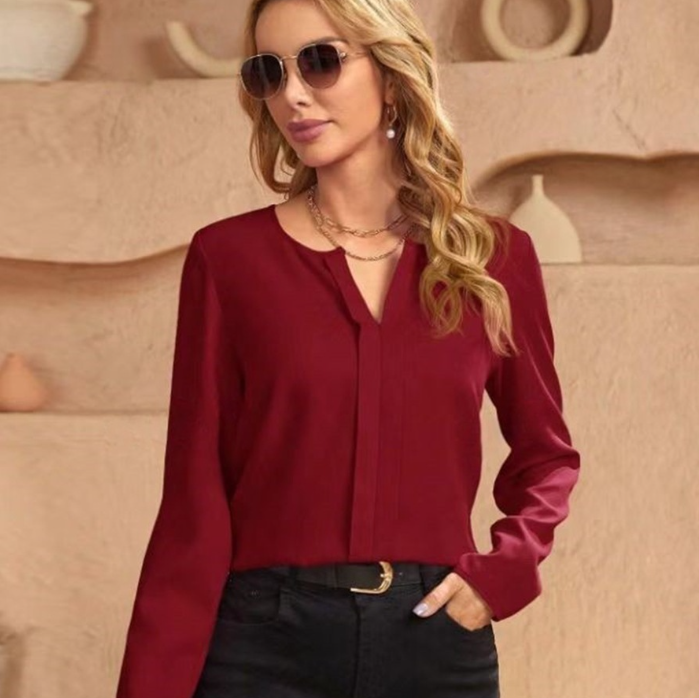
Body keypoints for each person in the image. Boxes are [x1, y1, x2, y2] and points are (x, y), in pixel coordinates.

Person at [114, 0, 581, 696]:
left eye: (320, 62)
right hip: (261, 646)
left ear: (391, 75)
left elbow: (546, 454)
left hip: (435, 647)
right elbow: (193, 495)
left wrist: (504, 571)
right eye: (269, 72)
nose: (292, 95)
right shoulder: (228, 260)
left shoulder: (493, 258)